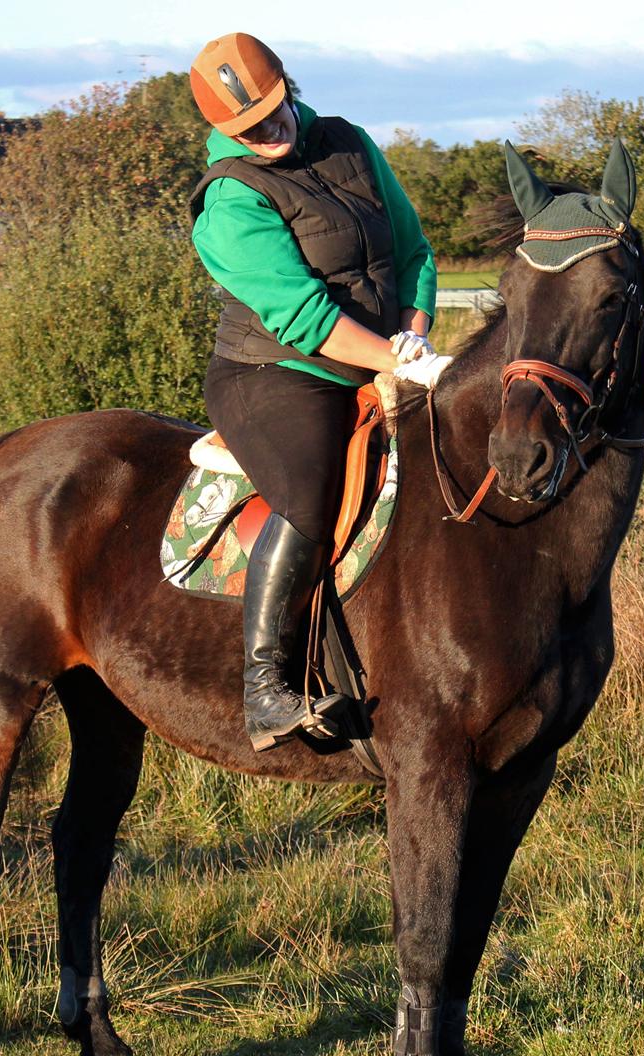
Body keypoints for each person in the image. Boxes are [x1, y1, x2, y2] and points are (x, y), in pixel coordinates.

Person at [188, 32, 451, 753]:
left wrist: (415, 336)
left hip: (385, 354)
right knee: (310, 490)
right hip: (276, 373)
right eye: (247, 129)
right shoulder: (230, 201)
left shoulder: (351, 142)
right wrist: (389, 364)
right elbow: (303, 318)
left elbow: (414, 250)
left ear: (289, 89)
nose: (267, 135)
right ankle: (265, 687)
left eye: (273, 113)